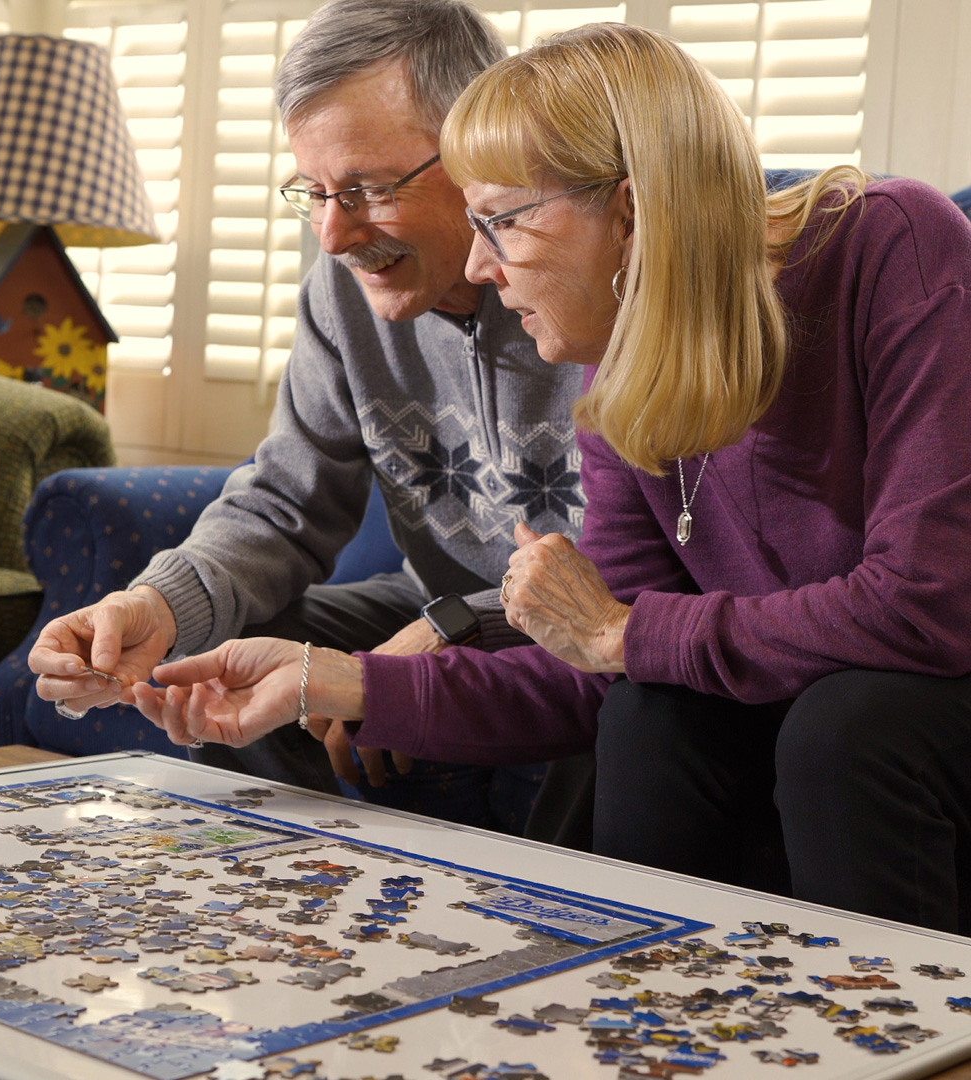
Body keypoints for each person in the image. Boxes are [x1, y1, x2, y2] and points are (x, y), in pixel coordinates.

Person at [124, 21, 971, 935]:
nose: (483, 265)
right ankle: (652, 1021)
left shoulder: (894, 245)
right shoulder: (618, 373)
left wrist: (621, 631)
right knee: (651, 715)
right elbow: (595, 668)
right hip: (810, 681)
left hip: (921, 685)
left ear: (633, 215)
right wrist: (326, 683)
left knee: (843, 730)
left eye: (503, 219)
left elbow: (928, 603)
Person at [27, 0, 588, 834]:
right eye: (315, 193)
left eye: (365, 189)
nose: (331, 235)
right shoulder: (342, 290)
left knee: (628, 689)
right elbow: (285, 505)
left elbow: (645, 577)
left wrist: (457, 630)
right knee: (214, 659)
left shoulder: (596, 278)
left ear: (480, 149)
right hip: (431, 598)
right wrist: (156, 606)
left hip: (580, 616)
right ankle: (309, 921)